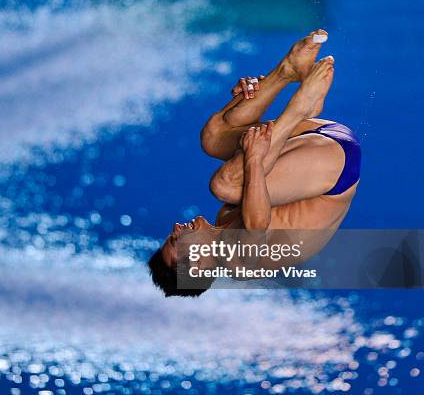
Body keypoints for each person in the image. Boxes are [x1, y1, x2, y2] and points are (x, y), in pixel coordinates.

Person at [149, 30, 361, 297]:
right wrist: (254, 156)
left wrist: (245, 96)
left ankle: (286, 71)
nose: (176, 228)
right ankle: (300, 109)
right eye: (174, 241)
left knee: (212, 138)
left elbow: (260, 172)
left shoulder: (223, 221)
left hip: (315, 138)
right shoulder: (240, 264)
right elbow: (258, 222)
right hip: (334, 165)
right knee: (224, 184)